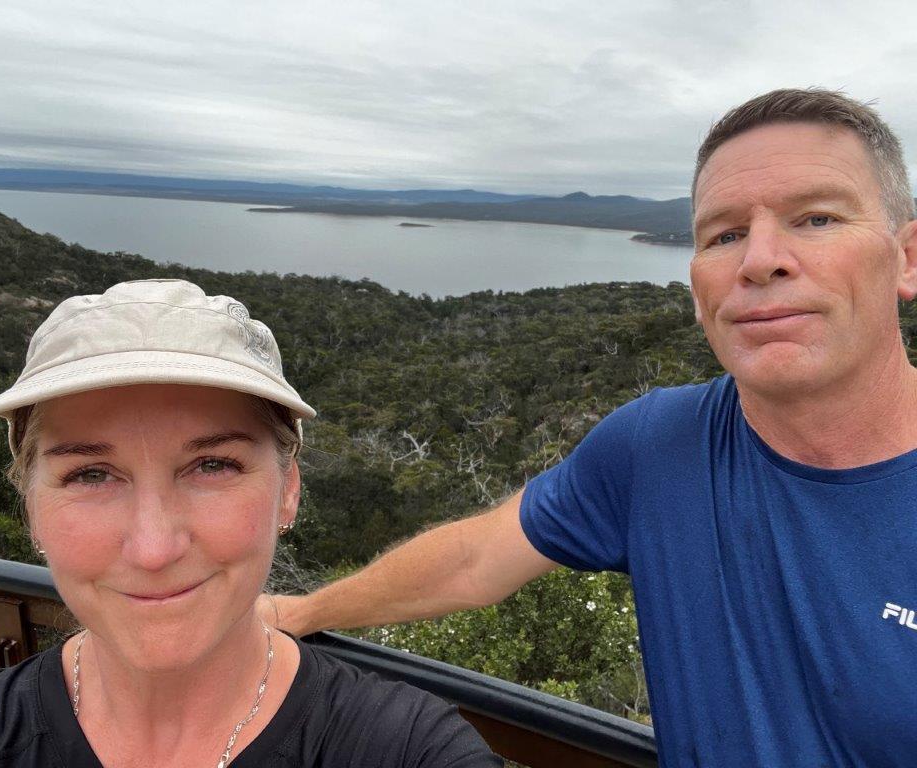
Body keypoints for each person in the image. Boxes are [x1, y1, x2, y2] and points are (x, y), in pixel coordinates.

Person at [268, 88, 917, 766]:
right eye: (724, 235)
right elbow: (474, 559)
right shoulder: (658, 445)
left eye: (815, 219)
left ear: (905, 258)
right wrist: (304, 612)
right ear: (699, 291)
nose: (759, 260)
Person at [0, 279, 500, 768]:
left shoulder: (405, 748)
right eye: (91, 475)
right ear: (31, 508)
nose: (154, 548)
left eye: (212, 465)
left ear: (288, 489)